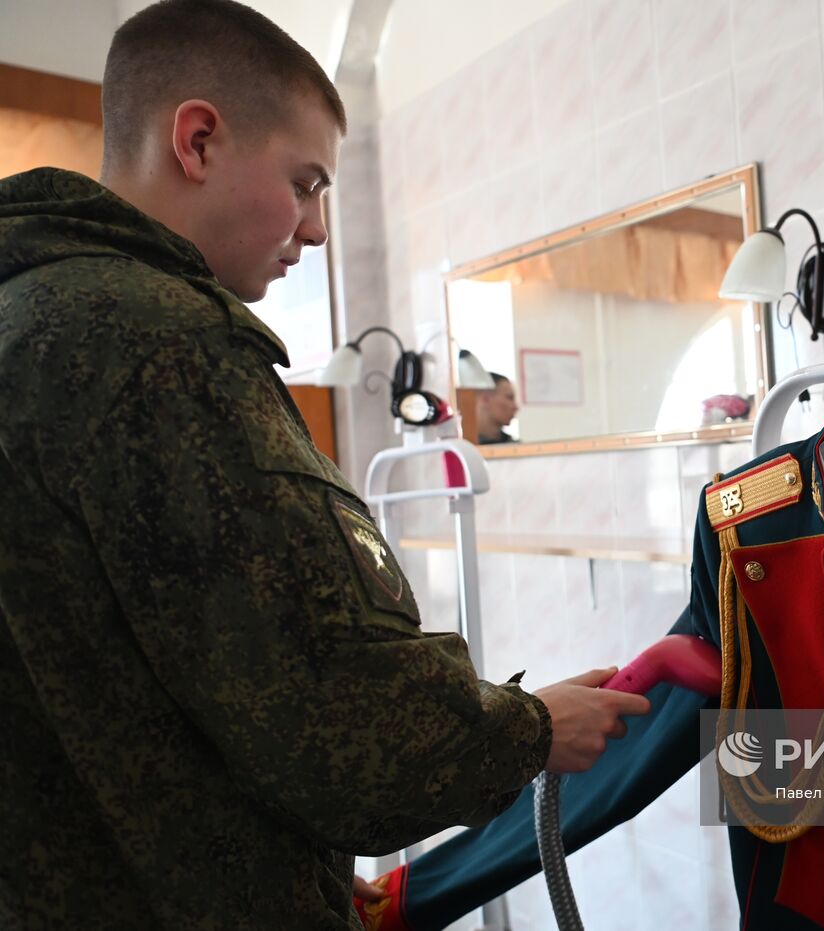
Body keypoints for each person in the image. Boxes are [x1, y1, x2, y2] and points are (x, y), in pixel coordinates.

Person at [0, 2, 646, 929]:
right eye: (304, 184)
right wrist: (532, 730)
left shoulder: (26, 316)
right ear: (198, 140)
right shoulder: (161, 348)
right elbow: (330, 712)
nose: (314, 230)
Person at [475, 372, 519, 444]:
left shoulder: (514, 446)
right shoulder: (461, 447)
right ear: (485, 399)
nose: (516, 407)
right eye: (509, 398)